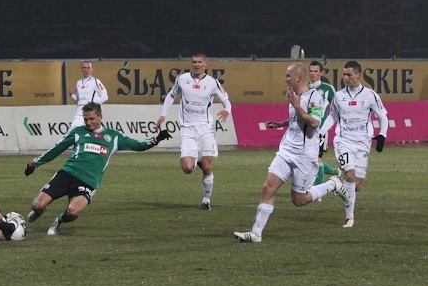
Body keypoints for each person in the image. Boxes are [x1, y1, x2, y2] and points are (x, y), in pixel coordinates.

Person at [233, 63, 350, 243]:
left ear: (298, 78)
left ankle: (332, 185)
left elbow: (314, 122)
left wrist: (296, 105)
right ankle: (256, 232)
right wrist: (282, 123)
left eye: (288, 76)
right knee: (267, 187)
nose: (285, 78)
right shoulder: (295, 96)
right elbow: (298, 119)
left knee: (299, 200)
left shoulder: (315, 97)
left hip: (304, 155)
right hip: (287, 150)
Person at [24, 102, 172, 235]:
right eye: (85, 119)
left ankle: (60, 221)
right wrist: (34, 164)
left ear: (101, 117)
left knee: (72, 212)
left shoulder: (113, 137)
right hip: (67, 174)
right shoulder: (78, 132)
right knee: (37, 204)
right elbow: (56, 149)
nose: (88, 122)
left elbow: (138, 145)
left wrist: (156, 139)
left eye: (91, 119)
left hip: (88, 181)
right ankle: (39, 210)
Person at [155, 52, 232, 210]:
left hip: (206, 128)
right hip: (187, 129)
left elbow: (226, 100)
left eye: (199, 62)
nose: (196, 65)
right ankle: (195, 158)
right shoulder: (182, 79)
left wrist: (227, 110)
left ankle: (206, 200)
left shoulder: (212, 83)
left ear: (206, 64)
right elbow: (171, 95)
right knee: (188, 169)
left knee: (207, 165)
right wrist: (163, 114)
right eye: (194, 62)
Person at [318, 60, 389, 228]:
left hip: (363, 143)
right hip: (344, 141)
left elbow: (383, 116)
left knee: (356, 185)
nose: (345, 78)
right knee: (349, 175)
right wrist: (321, 132)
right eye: (344, 75)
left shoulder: (370, 95)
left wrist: (382, 135)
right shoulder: (339, 96)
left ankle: (334, 183)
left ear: (358, 75)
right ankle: (349, 217)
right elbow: (332, 117)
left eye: (349, 74)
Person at [308, 61, 341, 200]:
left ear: (321, 73)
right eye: (311, 71)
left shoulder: (327, 89)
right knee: (310, 159)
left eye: (316, 71)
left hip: (320, 130)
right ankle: (334, 171)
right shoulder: (305, 88)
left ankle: (318, 192)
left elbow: (340, 104)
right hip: (306, 130)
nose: (313, 74)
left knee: (317, 159)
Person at [68, 61, 108, 132]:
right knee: (71, 132)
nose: (86, 70)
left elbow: (105, 96)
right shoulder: (79, 83)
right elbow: (79, 99)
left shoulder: (95, 81)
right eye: (84, 68)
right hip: (79, 114)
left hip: (91, 115)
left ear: (92, 69)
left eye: (88, 68)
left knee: (95, 134)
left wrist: (93, 106)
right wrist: (72, 95)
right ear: (81, 69)